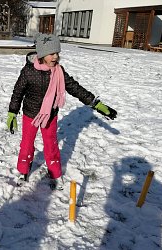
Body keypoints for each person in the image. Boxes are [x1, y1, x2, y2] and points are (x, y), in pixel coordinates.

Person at [7, 33, 117, 189]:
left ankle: (55, 173)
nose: (55, 57)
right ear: (42, 54)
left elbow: (75, 88)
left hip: (50, 115)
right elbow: (18, 92)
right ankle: (24, 171)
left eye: (57, 53)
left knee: (51, 145)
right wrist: (12, 112)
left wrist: (95, 104)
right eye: (52, 53)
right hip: (30, 114)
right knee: (26, 144)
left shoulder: (58, 71)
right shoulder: (28, 71)